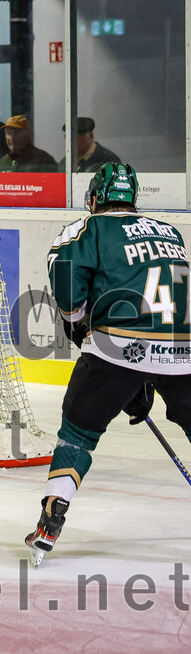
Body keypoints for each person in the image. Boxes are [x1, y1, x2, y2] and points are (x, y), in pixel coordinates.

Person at [25, 163, 191, 566]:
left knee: (77, 434)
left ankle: (51, 520)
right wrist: (148, 377)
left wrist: (74, 321)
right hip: (184, 350)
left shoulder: (90, 228)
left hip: (118, 347)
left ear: (95, 198)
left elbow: (65, 275)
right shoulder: (171, 232)